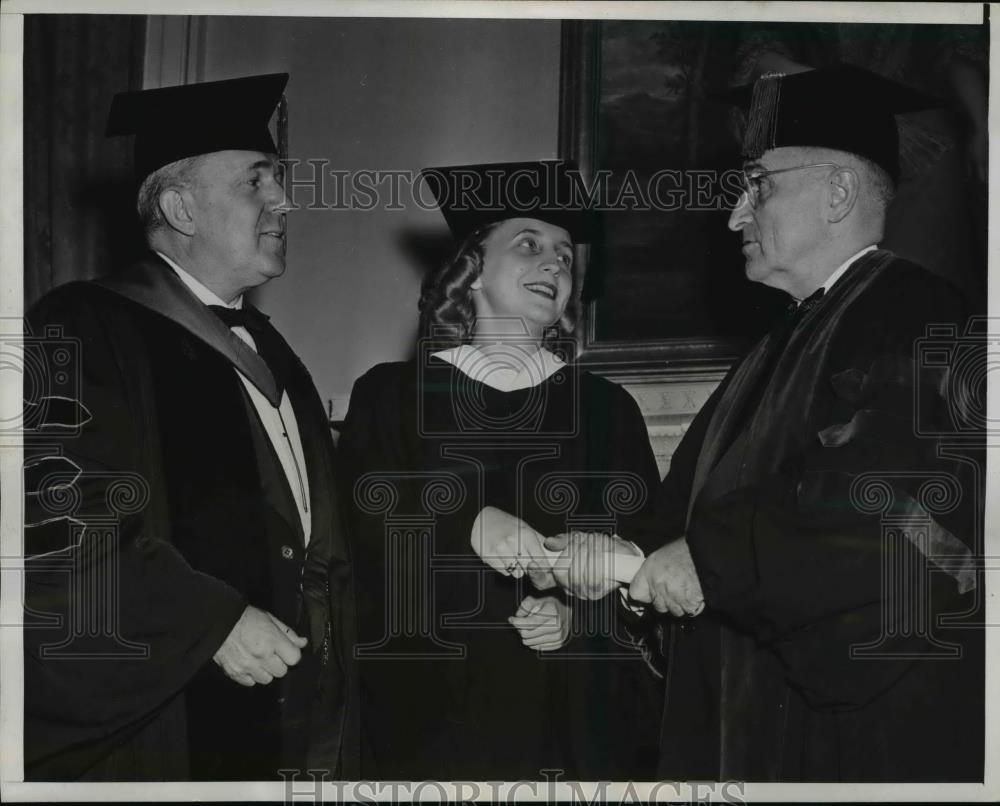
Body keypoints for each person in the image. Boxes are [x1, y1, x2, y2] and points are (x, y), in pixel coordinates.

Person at [545, 65, 983, 782]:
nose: (734, 215)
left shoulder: (922, 317)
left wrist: (704, 562)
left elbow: (895, 516)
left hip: (850, 739)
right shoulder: (774, 348)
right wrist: (621, 560)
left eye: (758, 186)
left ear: (837, 193)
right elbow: (688, 521)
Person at [22, 73, 359, 781]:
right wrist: (210, 621)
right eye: (256, 181)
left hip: (289, 718)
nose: (285, 201)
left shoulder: (274, 355)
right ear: (180, 207)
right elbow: (56, 514)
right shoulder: (82, 327)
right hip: (168, 722)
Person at [337, 161, 663, 780]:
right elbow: (356, 525)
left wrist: (578, 616)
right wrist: (468, 520)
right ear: (473, 269)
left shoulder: (604, 410)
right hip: (430, 711)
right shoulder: (393, 396)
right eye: (529, 246)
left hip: (562, 719)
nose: (554, 265)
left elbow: (640, 549)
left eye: (566, 256)